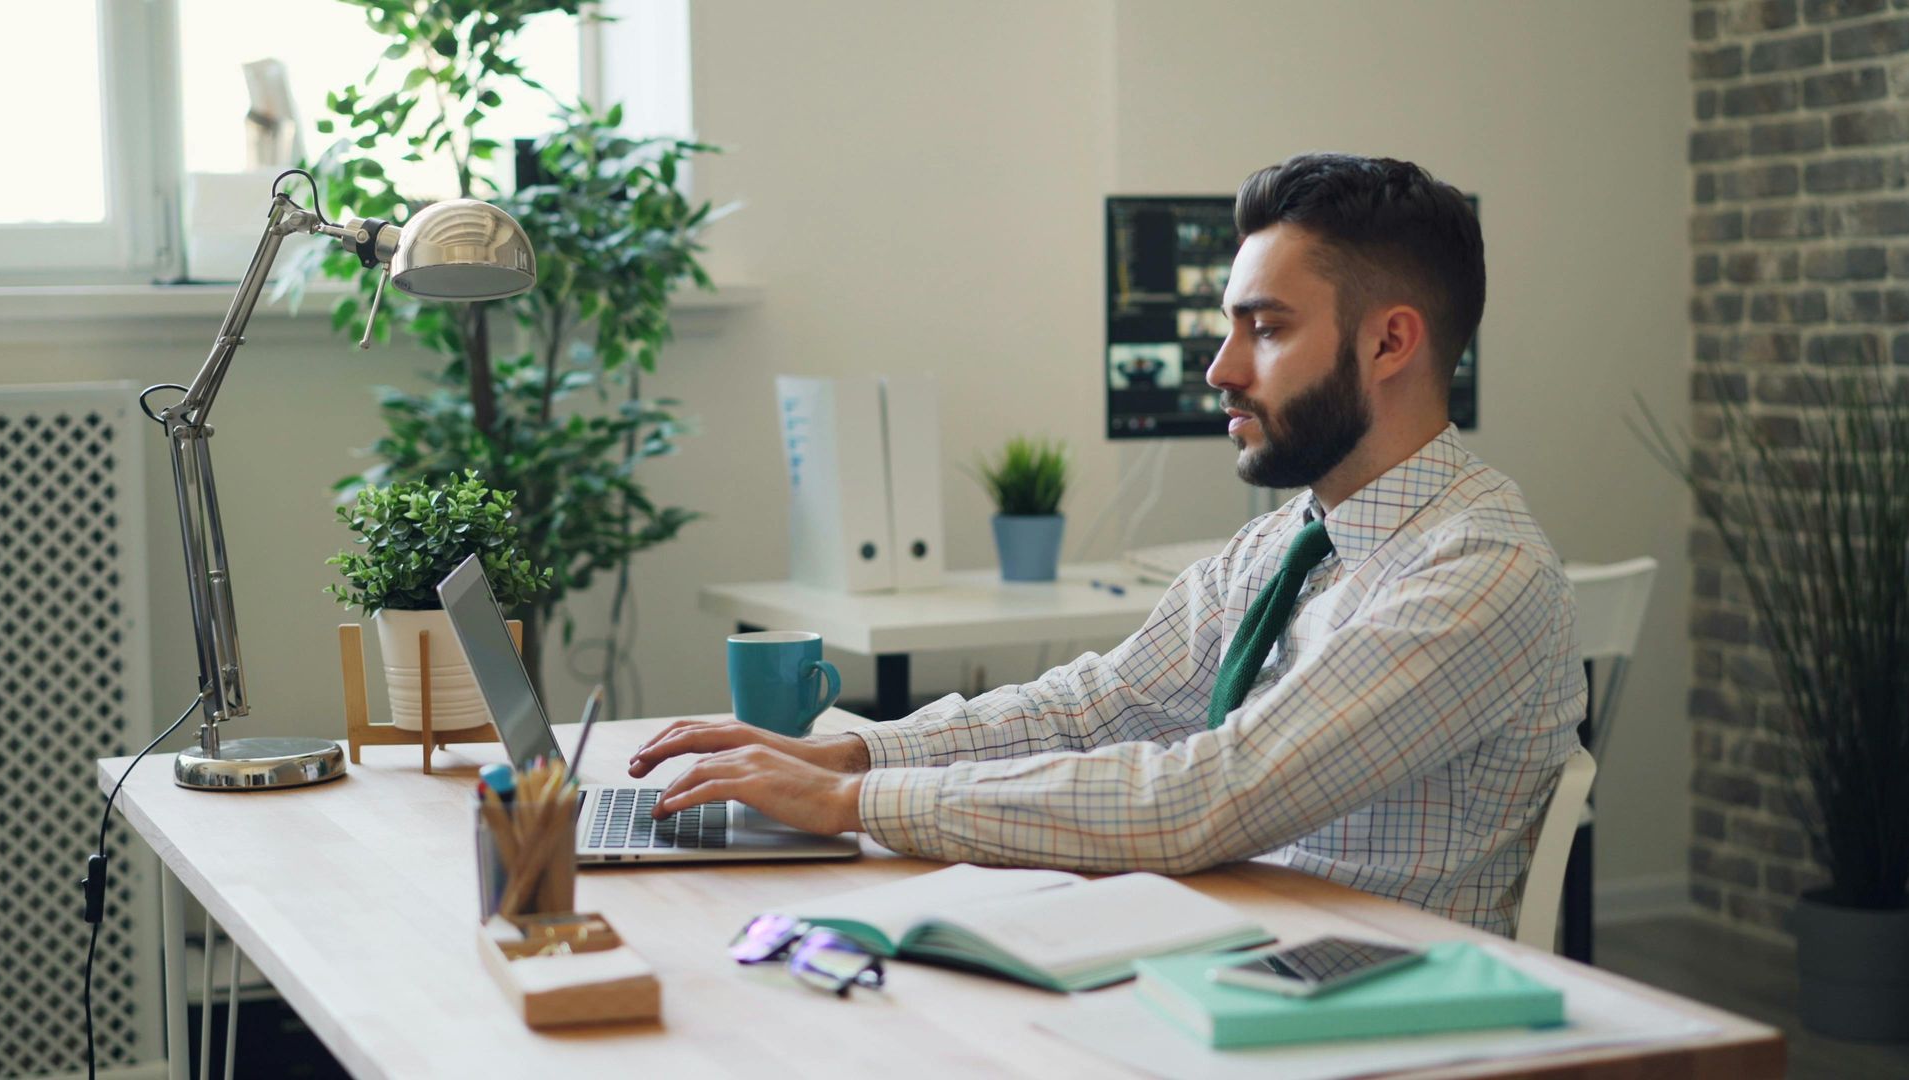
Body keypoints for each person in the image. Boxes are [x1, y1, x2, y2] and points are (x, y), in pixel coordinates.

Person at [629, 152, 1584, 935]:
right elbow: (1094, 709)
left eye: (1267, 329)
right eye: (1228, 328)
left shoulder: (1477, 571)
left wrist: (853, 810)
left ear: (1389, 344)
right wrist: (855, 758)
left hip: (1371, 1009)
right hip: (1234, 940)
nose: (1220, 368)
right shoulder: (1288, 544)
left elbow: (1207, 796)